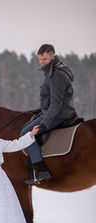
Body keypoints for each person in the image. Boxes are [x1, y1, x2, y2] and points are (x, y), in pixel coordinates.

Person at [20, 44, 77, 184]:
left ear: (53, 56)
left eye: (44, 59)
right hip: (53, 111)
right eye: (39, 59)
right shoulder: (53, 71)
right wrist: (41, 109)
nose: (42, 62)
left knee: (26, 133)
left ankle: (42, 170)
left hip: (59, 114)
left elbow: (56, 104)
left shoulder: (56, 74)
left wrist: (44, 123)